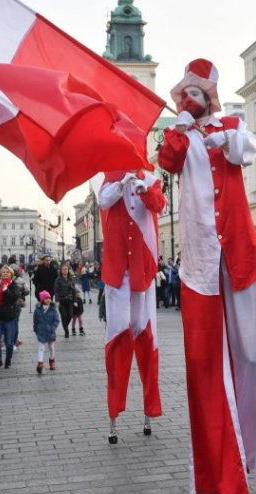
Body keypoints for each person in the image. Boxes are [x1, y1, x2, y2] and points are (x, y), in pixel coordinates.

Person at [157, 58, 256, 493]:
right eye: (187, 92)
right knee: (205, 362)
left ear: (212, 93)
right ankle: (214, 470)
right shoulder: (180, 135)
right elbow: (168, 161)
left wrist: (225, 132)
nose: (194, 98)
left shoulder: (231, 123)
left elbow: (246, 147)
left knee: (252, 353)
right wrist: (182, 124)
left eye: (200, 92)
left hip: (240, 255)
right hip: (201, 264)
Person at [96, 167, 166, 444]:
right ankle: (114, 411)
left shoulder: (150, 178)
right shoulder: (108, 180)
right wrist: (120, 184)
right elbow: (103, 201)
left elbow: (159, 204)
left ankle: (150, 407)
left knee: (147, 340)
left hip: (143, 272)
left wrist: (142, 187)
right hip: (117, 274)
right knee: (117, 341)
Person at [0, 266, 21, 369]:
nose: (4, 274)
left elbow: (14, 298)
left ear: (11, 274)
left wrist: (5, 290)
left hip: (9, 317)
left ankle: (8, 359)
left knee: (9, 343)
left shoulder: (13, 285)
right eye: (3, 272)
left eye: (7, 272)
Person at [33, 290, 59, 374]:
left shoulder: (53, 309)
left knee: (51, 347)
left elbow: (56, 320)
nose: (48, 300)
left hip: (50, 332)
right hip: (41, 331)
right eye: (46, 298)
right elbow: (35, 320)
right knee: (41, 348)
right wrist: (36, 329)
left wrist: (52, 328)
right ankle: (40, 363)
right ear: (42, 300)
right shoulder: (38, 310)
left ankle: (52, 361)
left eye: (49, 298)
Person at [54, 264, 77, 339]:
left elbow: (74, 291)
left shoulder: (71, 279)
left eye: (66, 269)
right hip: (62, 300)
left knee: (70, 315)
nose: (65, 271)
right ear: (61, 270)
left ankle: (65, 326)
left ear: (68, 270)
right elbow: (56, 290)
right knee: (64, 316)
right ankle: (66, 331)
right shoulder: (58, 279)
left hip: (70, 300)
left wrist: (75, 300)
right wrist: (57, 300)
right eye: (63, 269)